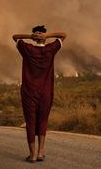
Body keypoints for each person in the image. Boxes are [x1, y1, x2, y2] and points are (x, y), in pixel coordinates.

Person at [12, 25, 66, 163]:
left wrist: (30, 37)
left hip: (29, 92)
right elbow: (63, 35)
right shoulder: (51, 49)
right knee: (43, 120)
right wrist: (48, 36)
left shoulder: (27, 49)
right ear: (43, 36)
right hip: (46, 92)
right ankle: (41, 152)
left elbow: (14, 37)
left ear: (35, 37)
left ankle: (33, 155)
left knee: (30, 122)